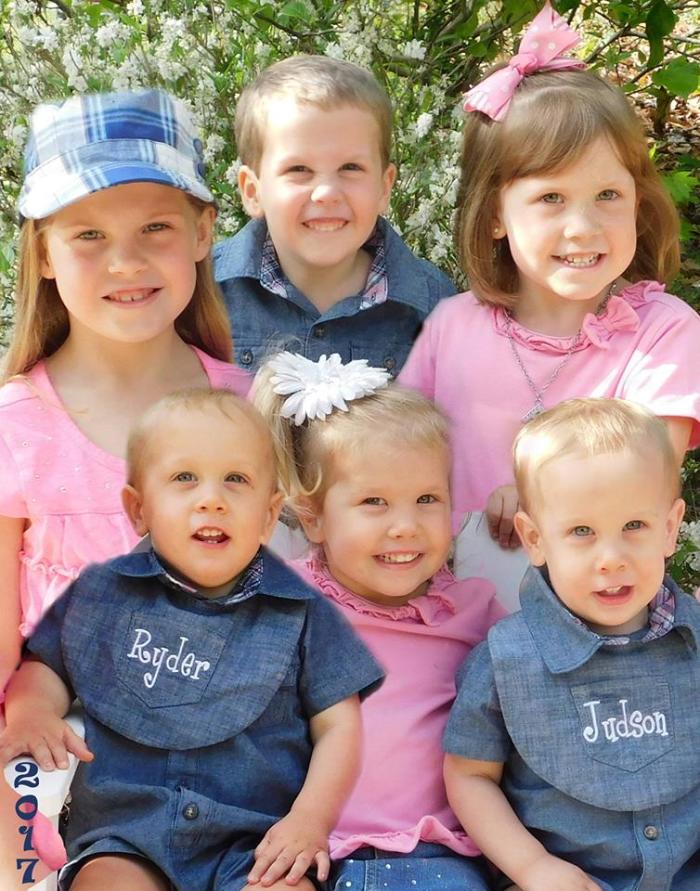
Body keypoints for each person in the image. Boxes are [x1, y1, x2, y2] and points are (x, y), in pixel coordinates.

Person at [0, 389, 384, 891]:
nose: (212, 498)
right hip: (125, 836)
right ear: (138, 509)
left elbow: (339, 726)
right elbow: (46, 666)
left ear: (269, 516)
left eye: (236, 480)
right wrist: (33, 712)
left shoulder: (302, 612)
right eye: (184, 478)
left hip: (255, 842)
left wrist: (309, 820)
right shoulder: (101, 595)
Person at [398, 3, 700, 608]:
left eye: (608, 195)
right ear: (493, 220)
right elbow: (399, 458)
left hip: (596, 621)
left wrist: (540, 499)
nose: (584, 227)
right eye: (552, 198)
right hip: (444, 612)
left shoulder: (661, 334)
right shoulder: (453, 328)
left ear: (638, 206)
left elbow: (644, 479)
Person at [0, 88, 251, 696]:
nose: (125, 262)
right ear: (44, 254)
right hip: (61, 764)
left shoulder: (252, 410)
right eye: (88, 235)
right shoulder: (16, 428)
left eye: (155, 227)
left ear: (201, 234)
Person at [254, 352, 505, 891]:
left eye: (427, 499)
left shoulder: (475, 611)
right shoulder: (284, 601)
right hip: (299, 845)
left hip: (433, 853)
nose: (406, 526)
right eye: (374, 502)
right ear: (315, 516)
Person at [443, 398, 699, 891]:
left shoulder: (696, 643)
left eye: (634, 527)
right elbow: (469, 776)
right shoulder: (507, 660)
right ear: (535, 539)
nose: (611, 558)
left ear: (670, 528)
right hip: (566, 879)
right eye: (582, 531)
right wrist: (532, 867)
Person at [213, 54, 456, 376]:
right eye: (299, 169)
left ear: (384, 187)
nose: (326, 193)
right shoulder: (205, 290)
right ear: (252, 191)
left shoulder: (433, 303)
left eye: (351, 168)